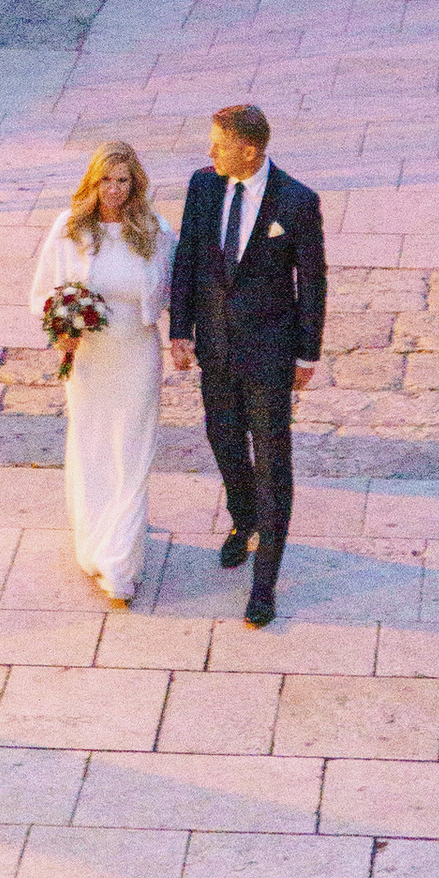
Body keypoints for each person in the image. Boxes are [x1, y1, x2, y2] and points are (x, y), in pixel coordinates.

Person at [169, 101, 324, 627]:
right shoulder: (203, 186)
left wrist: (307, 352)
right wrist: (180, 331)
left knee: (273, 460)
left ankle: (265, 581)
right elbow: (189, 256)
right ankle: (244, 518)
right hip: (215, 347)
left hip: (270, 354)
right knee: (223, 440)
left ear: (250, 149)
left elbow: (313, 283)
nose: (209, 150)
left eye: (219, 142)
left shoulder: (298, 202)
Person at [27, 137, 170, 605]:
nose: (113, 189)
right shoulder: (69, 229)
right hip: (89, 358)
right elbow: (42, 295)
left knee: (132, 450)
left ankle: (120, 560)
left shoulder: (154, 230)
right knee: (91, 447)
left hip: (136, 353)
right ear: (93, 180)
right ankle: (93, 542)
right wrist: (61, 330)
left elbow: (177, 295)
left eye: (123, 181)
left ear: (135, 184)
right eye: (106, 179)